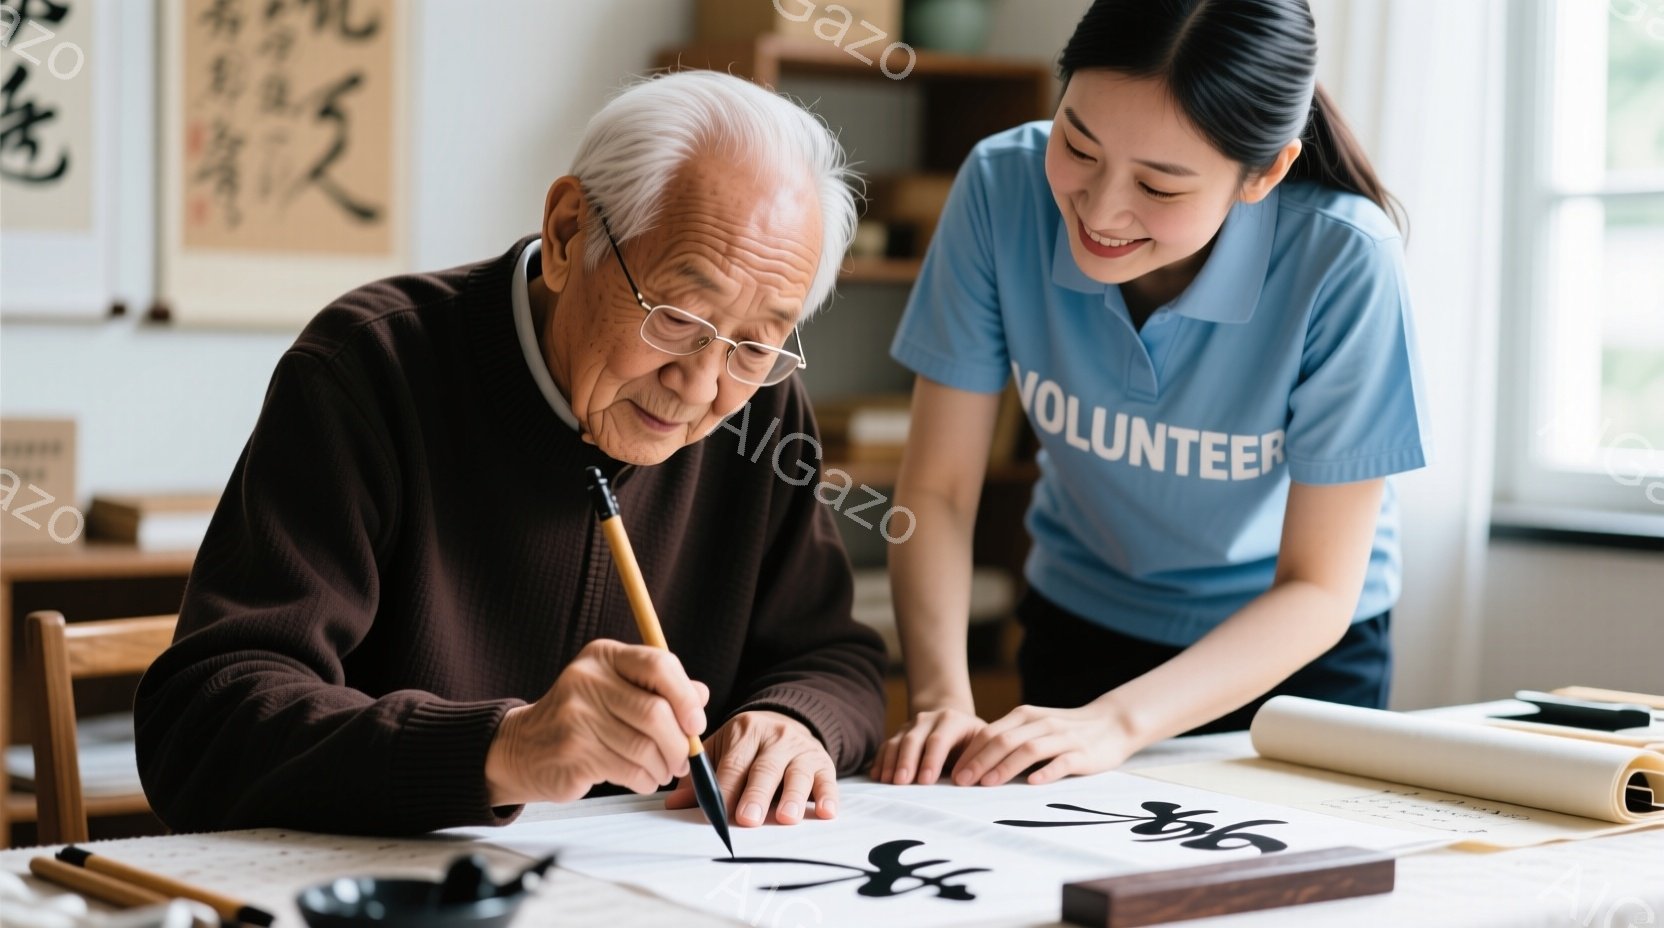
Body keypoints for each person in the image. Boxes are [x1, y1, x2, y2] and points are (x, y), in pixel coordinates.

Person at [136, 71, 887, 837]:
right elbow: (204, 722)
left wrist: (793, 721)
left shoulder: (758, 413)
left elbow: (836, 658)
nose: (700, 383)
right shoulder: (369, 370)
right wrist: (504, 750)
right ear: (567, 235)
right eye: (677, 316)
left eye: (755, 344)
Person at [875, 0, 1430, 789]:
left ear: (1264, 172)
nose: (1100, 212)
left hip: (1293, 658)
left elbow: (1318, 585)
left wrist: (1119, 723)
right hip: (1083, 624)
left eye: (1161, 187)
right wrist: (941, 701)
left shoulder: (1343, 258)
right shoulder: (1001, 188)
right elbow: (938, 488)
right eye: (1079, 145)